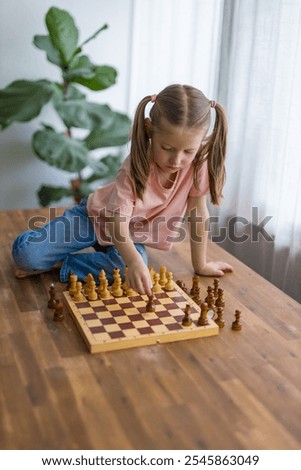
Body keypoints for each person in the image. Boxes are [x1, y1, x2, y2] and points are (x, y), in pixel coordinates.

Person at [12, 84, 233, 296]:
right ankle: (43, 242)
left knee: (126, 268)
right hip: (95, 218)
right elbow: (117, 224)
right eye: (167, 148)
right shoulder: (135, 166)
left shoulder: (198, 165)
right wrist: (135, 261)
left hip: (130, 235)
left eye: (188, 151)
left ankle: (61, 262)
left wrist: (200, 264)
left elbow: (197, 212)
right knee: (26, 256)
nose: (177, 160)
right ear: (150, 132)